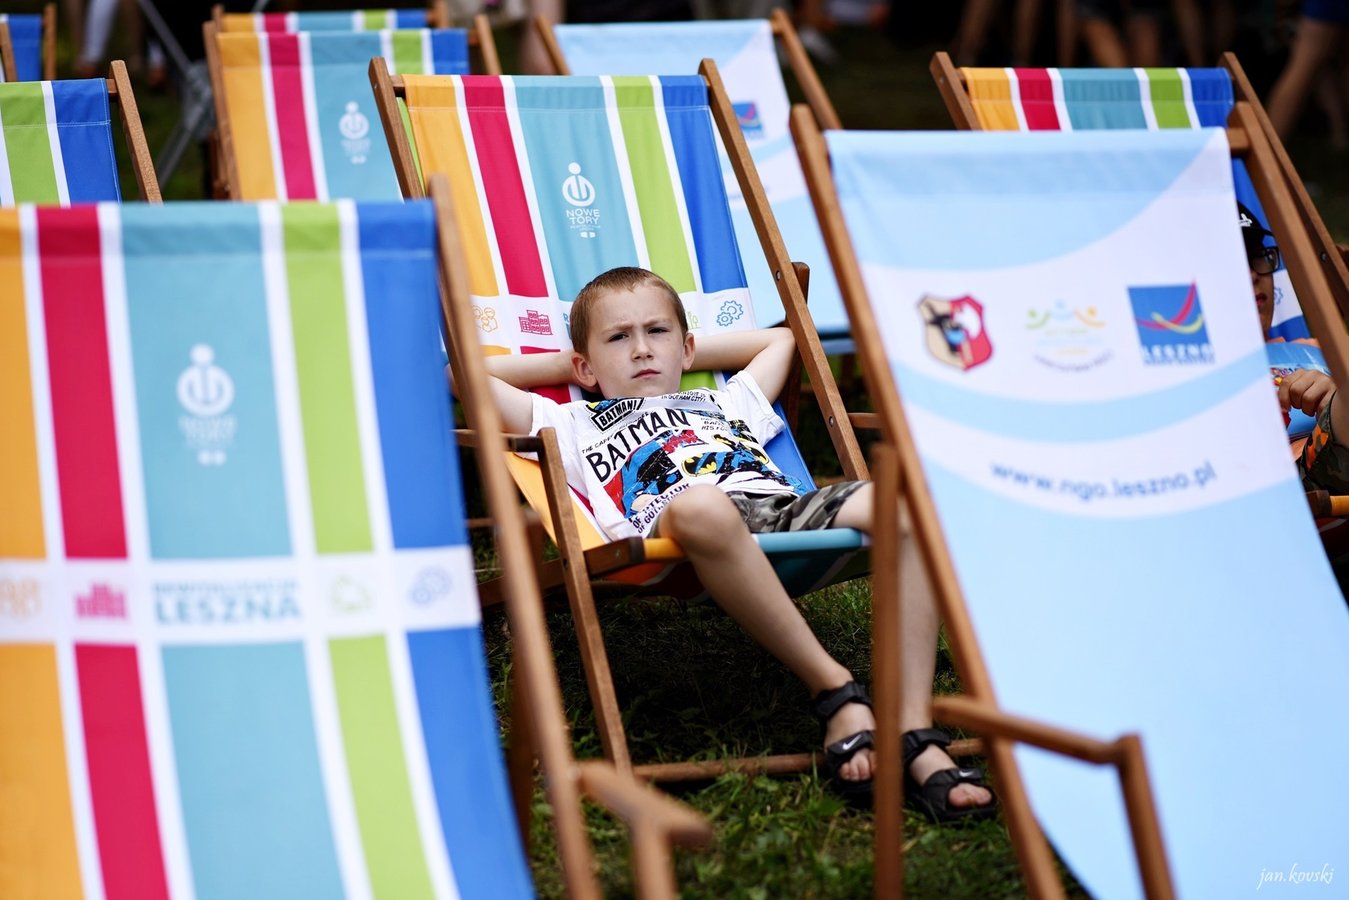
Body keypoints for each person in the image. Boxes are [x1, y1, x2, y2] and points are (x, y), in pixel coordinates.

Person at [482, 266, 997, 823]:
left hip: (780, 511)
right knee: (702, 503)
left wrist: (678, 352)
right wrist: (575, 367)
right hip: (683, 524)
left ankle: (913, 728)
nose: (641, 349)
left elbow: (783, 339)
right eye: (618, 337)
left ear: (687, 347)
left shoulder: (727, 401)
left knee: (911, 505)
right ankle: (836, 690)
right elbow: (462, 375)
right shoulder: (570, 421)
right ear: (584, 366)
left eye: (657, 331)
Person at [1241, 203, 1349, 491]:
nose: (1253, 274)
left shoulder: (1323, 349)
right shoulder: (1187, 375)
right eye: (1233, 260)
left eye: (1258, 257)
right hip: (1286, 492)